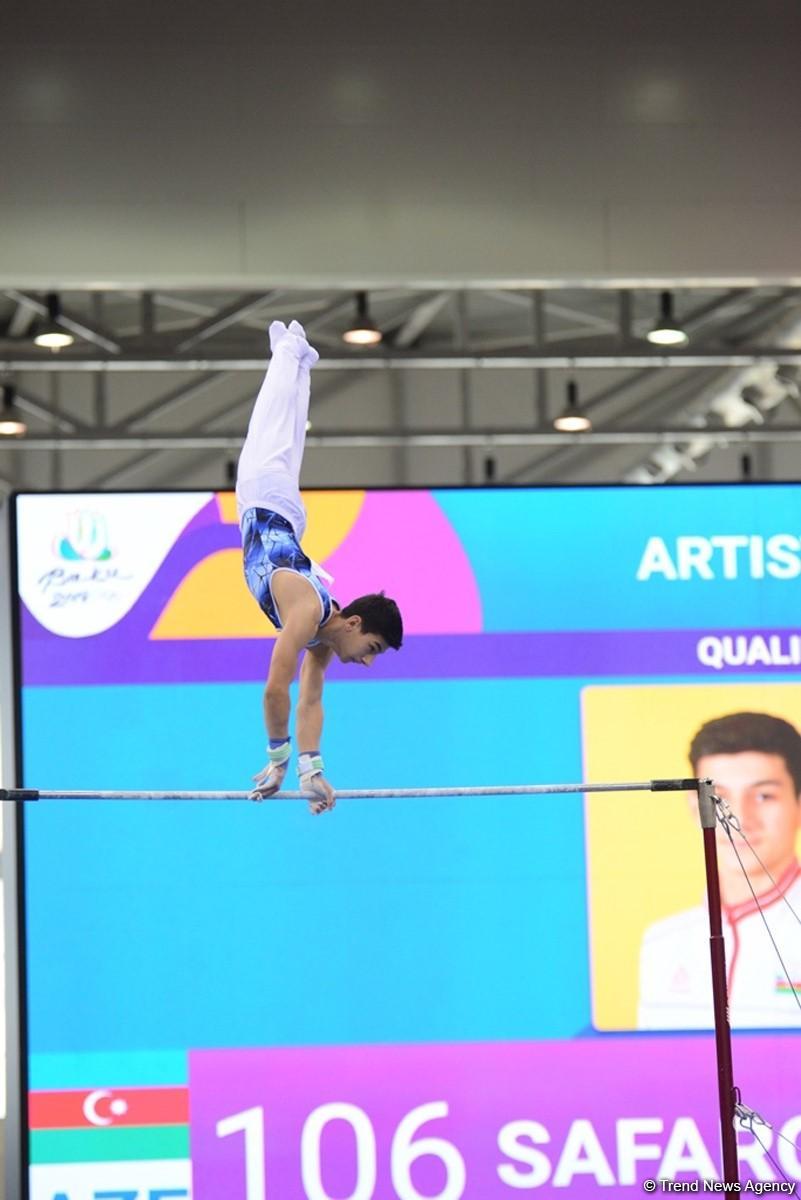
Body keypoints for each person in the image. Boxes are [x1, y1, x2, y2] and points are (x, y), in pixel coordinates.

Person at [236, 319, 403, 814]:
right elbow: (273, 689)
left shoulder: (321, 637)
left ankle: (299, 359)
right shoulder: (308, 612)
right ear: (354, 623)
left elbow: (308, 703)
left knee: (286, 430)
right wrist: (278, 759)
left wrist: (312, 771)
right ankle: (288, 349)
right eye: (371, 647)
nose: (367, 661)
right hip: (266, 498)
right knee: (273, 421)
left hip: (282, 512)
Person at [637, 711, 801, 1029]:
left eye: (764, 796)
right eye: (718, 798)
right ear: (693, 806)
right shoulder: (660, 943)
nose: (738, 818)